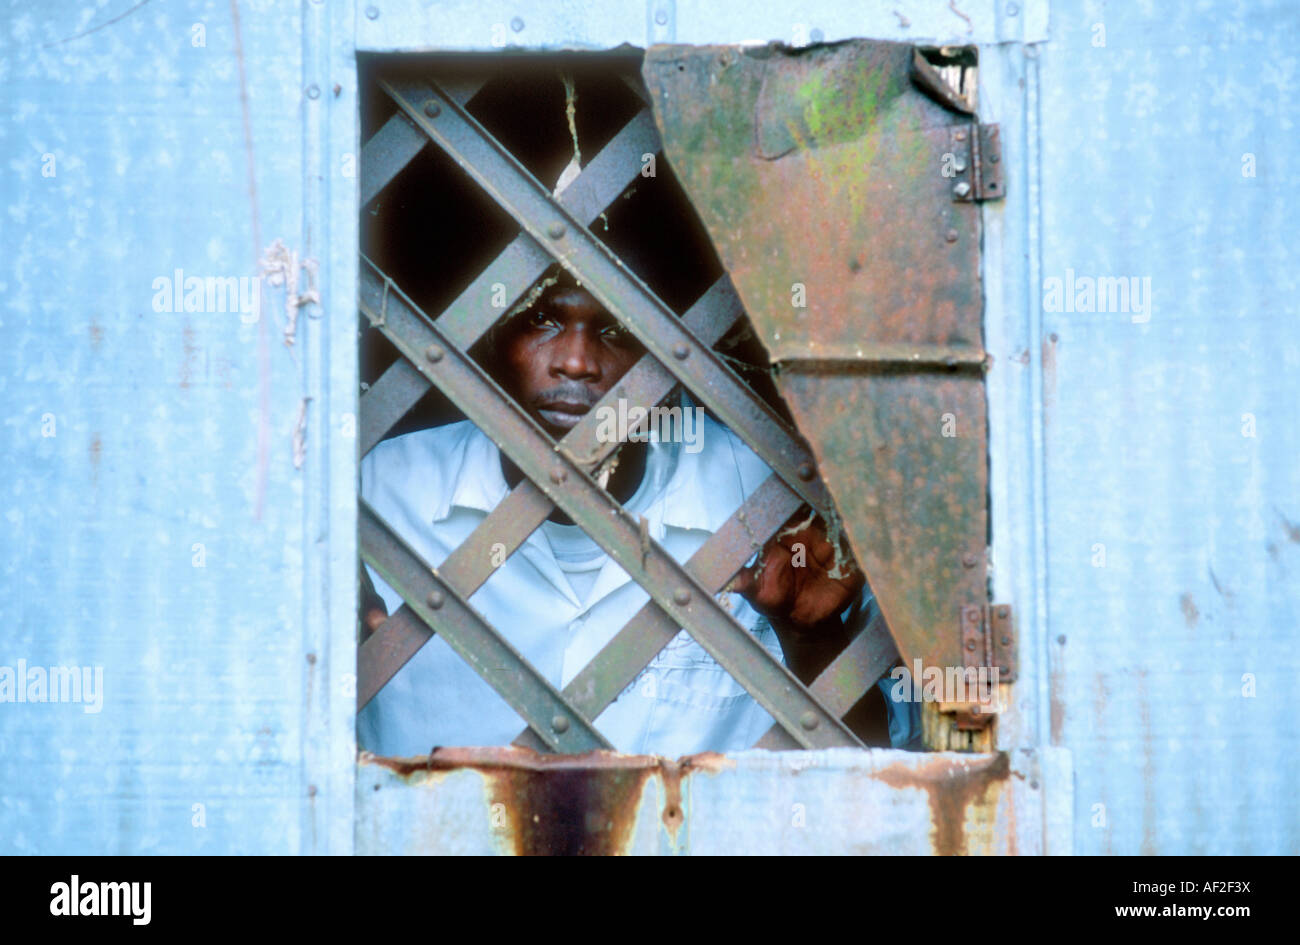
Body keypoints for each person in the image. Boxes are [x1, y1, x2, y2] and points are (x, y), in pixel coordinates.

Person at [357, 267, 918, 757]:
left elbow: (879, 770)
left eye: (617, 328)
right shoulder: (380, 493)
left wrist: (811, 642)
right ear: (486, 337)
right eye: (542, 321)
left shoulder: (762, 498)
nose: (577, 362)